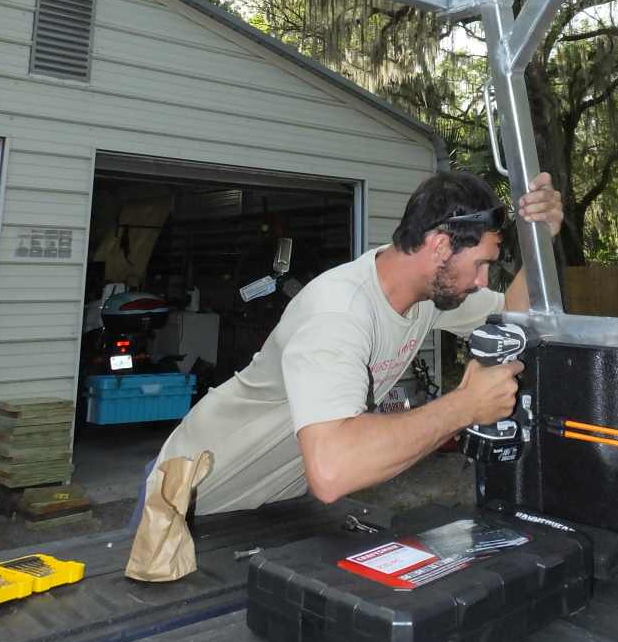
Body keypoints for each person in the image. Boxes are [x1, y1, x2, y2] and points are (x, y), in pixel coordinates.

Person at [146, 169, 562, 515]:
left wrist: (540, 240)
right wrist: (464, 405)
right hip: (188, 503)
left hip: (275, 507)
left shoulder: (426, 295)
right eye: (481, 265)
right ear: (439, 246)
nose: (483, 280)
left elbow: (512, 317)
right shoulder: (339, 313)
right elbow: (332, 471)